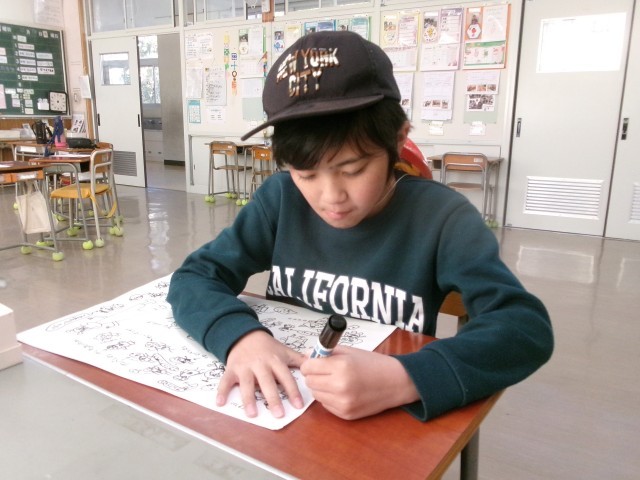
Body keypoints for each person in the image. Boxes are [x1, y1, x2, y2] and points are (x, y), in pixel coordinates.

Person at [167, 31, 553, 422]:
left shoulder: (441, 218)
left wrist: (408, 378)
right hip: (291, 410)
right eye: (306, 174)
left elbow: (523, 327)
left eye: (353, 170)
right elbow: (195, 276)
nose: (330, 197)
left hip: (385, 413)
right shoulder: (280, 200)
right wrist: (240, 337)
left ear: (398, 141)